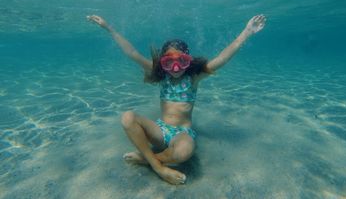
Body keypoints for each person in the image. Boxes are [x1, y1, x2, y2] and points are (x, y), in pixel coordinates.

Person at [87, 14, 266, 185]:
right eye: (168, 63)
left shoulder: (194, 78)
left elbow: (223, 58)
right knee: (128, 117)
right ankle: (159, 167)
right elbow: (132, 52)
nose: (175, 67)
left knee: (184, 152)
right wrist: (109, 28)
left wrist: (247, 31)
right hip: (160, 130)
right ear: (162, 63)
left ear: (188, 60)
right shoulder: (162, 76)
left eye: (181, 61)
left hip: (183, 133)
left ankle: (148, 158)